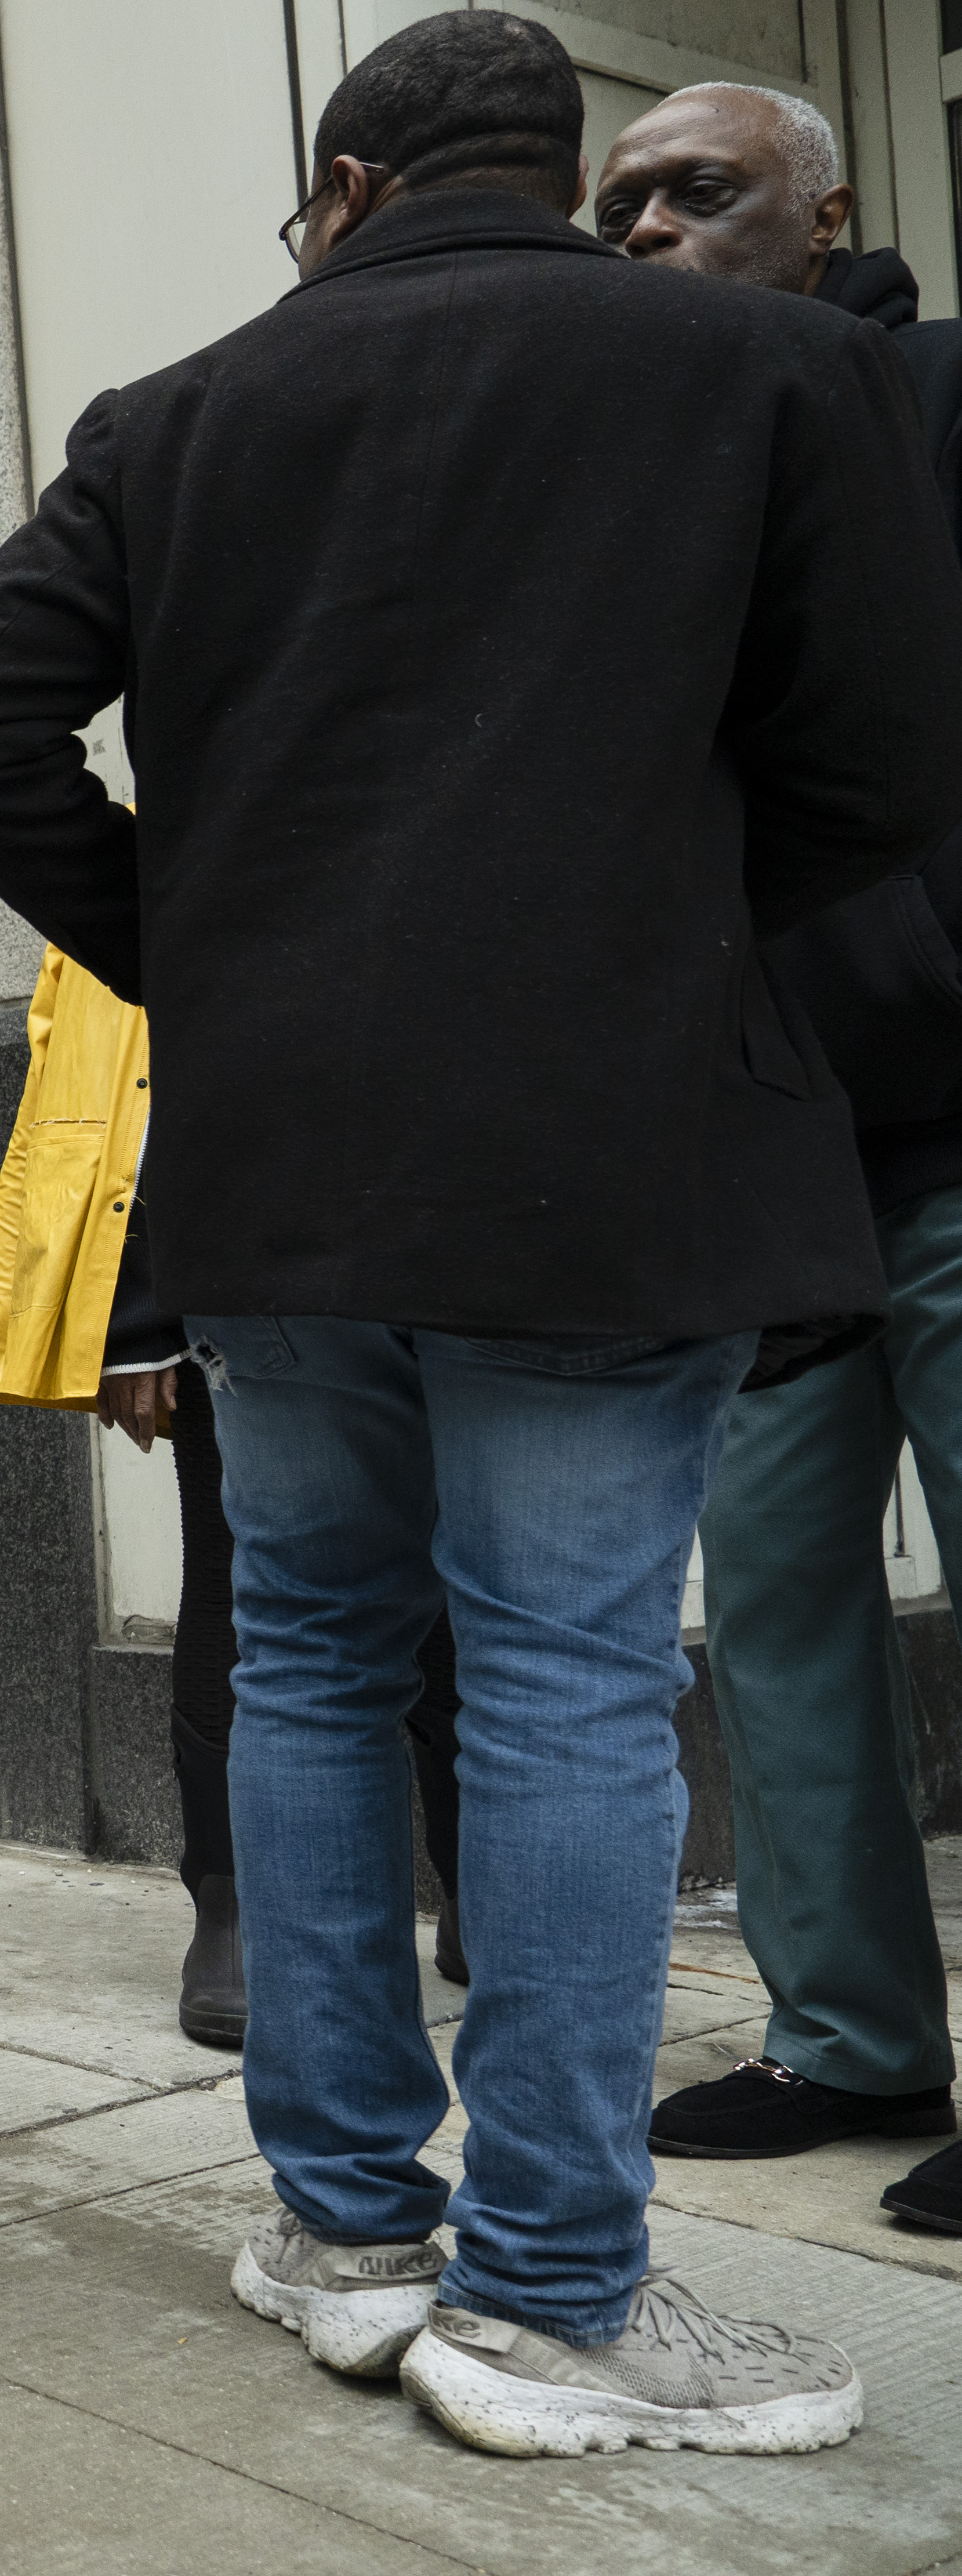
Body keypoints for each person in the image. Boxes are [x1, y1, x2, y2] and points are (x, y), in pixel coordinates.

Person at [0, 12, 962, 2455]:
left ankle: (342, 2231)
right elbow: (887, 767)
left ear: (344, 183)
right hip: (602, 1149)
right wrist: (670, 934)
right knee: (570, 1683)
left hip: (275, 1161)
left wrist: (197, 945)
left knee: (300, 1661)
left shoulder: (172, 416)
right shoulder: (749, 373)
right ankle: (550, 2299)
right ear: (554, 161)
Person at [595, 83, 962, 2224]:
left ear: (818, 220)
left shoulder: (926, 400)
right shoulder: (632, 487)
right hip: (756, 1163)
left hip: (950, 1115)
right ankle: (847, 2037)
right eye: (612, 200)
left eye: (693, 190)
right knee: (784, 1615)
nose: (640, 223)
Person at [0, 951, 464, 2050]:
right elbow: (114, 1069)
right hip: (249, 1265)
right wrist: (137, 1313)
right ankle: (231, 1903)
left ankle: (477, 1885)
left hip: (438, 1222)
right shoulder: (176, 820)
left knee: (465, 1574)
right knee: (241, 1578)